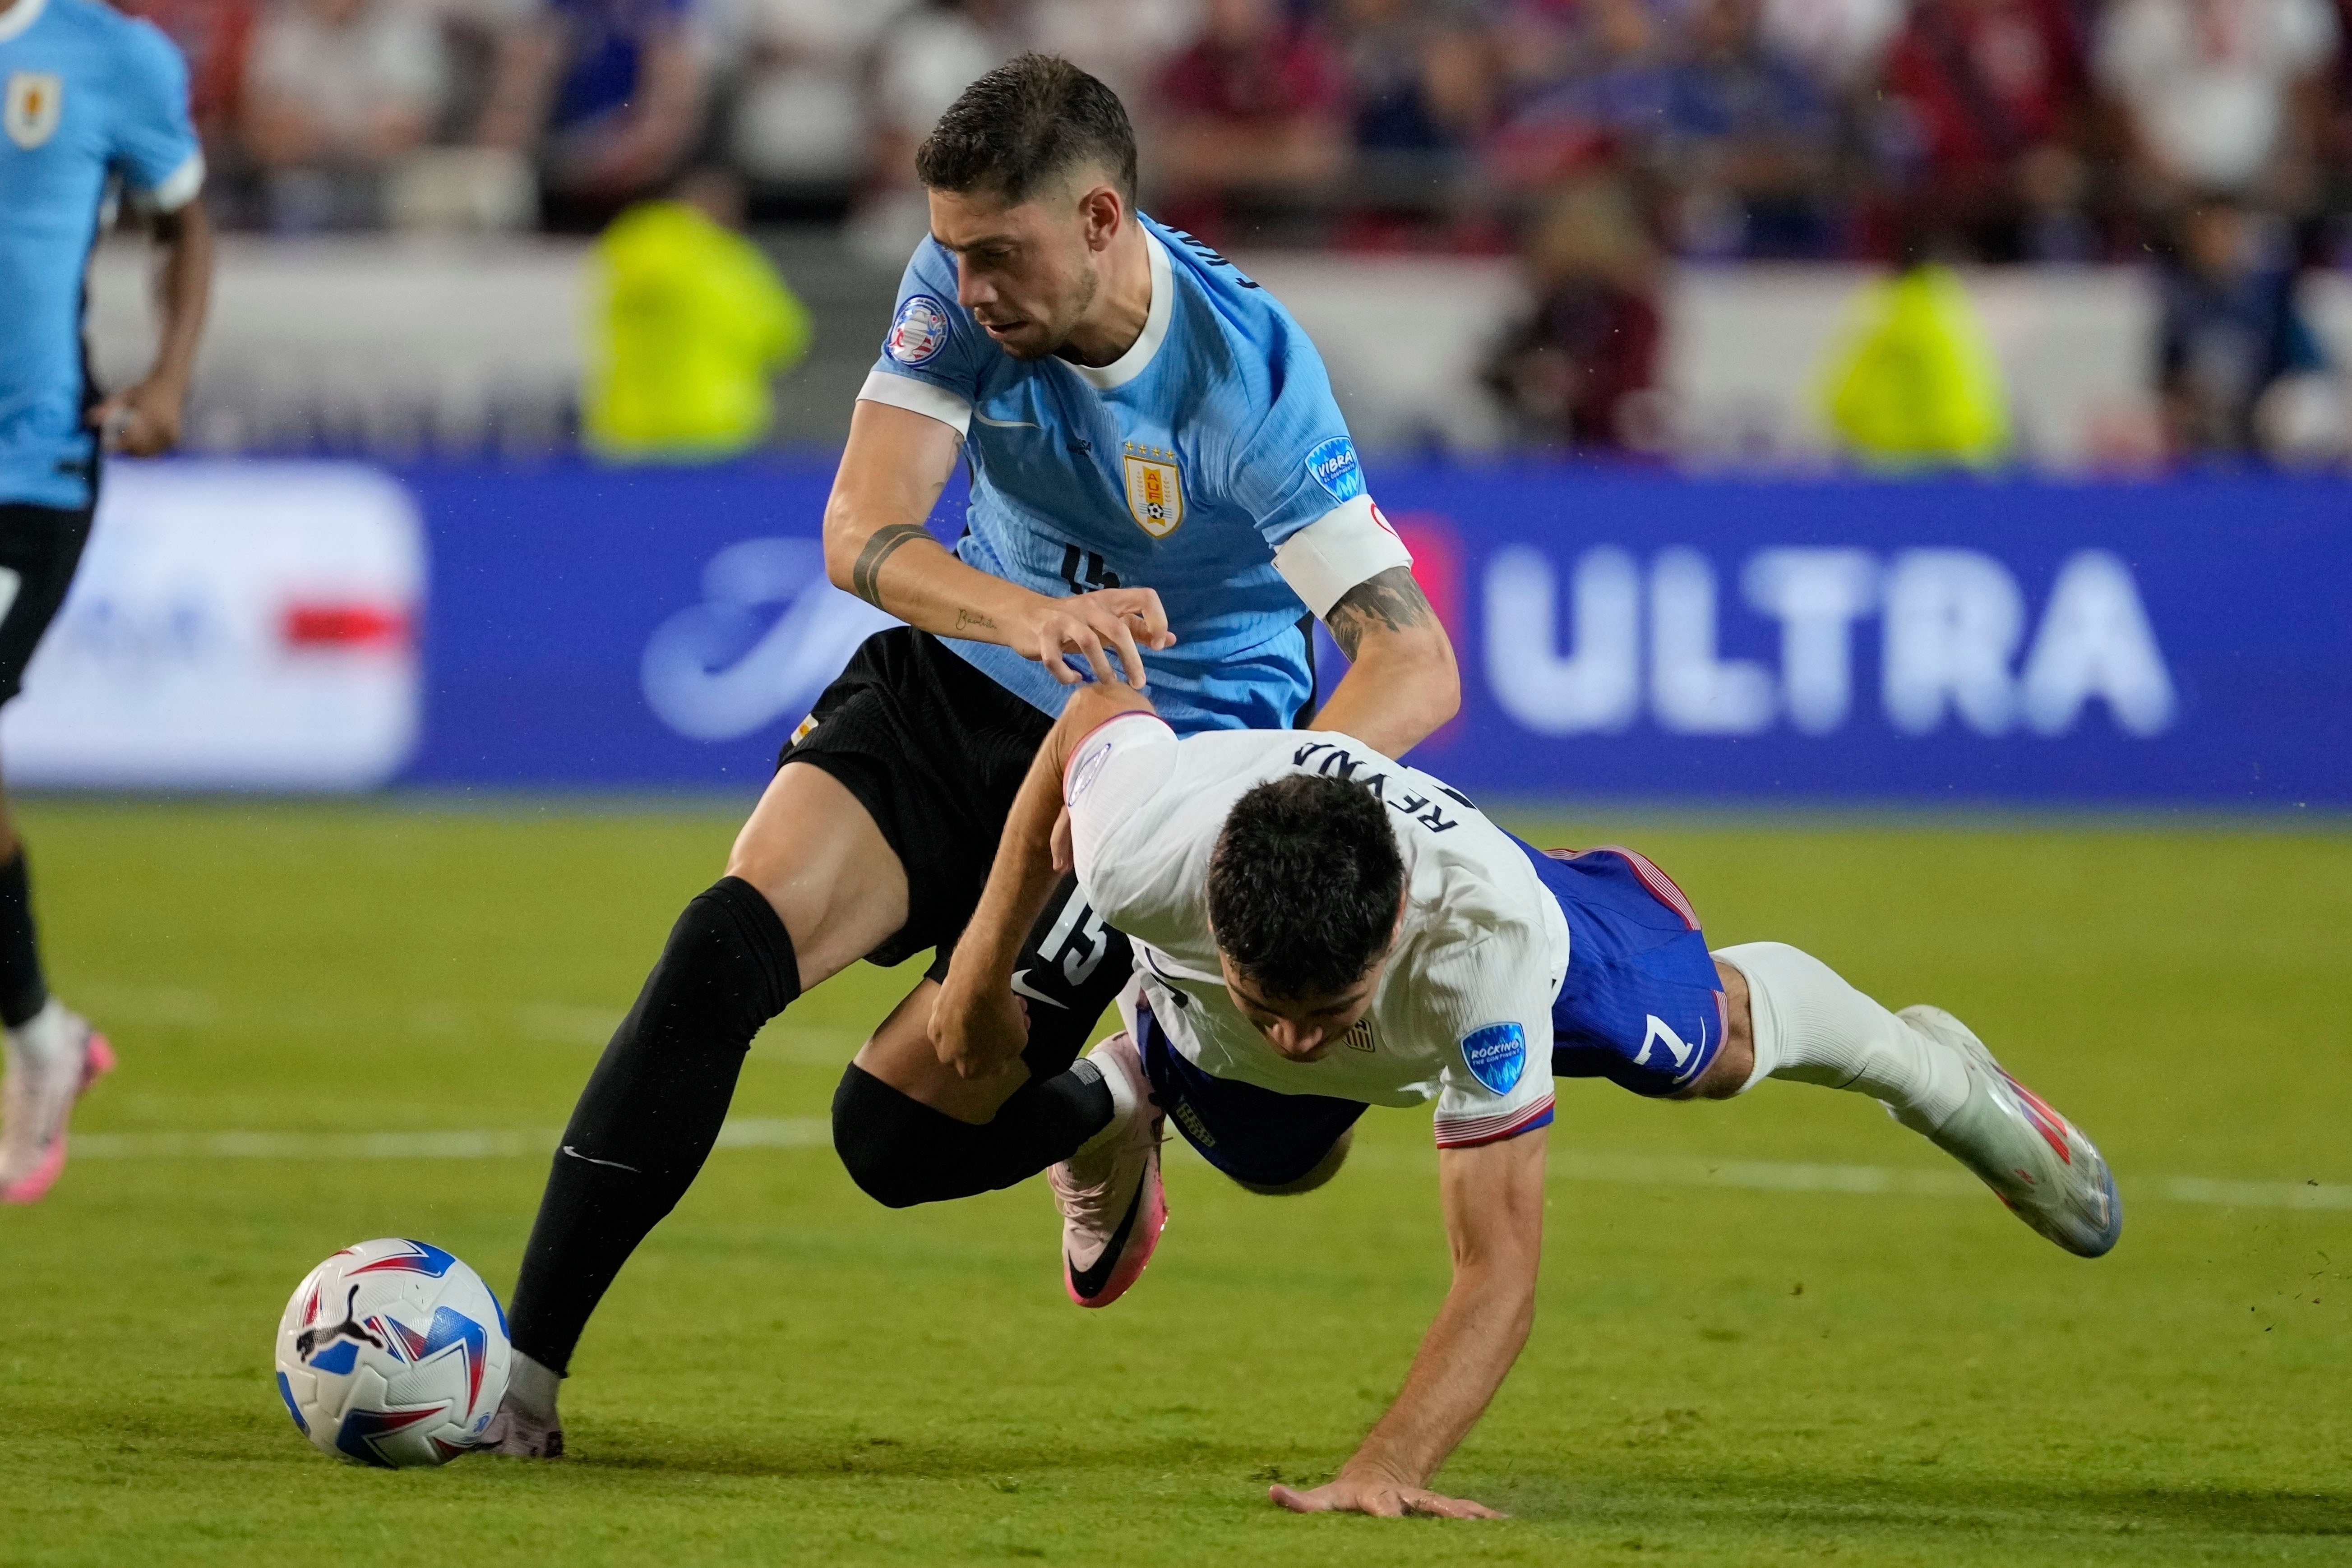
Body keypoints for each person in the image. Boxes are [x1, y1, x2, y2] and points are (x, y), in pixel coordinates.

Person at [483, 52, 1461, 1456]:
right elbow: (860, 532)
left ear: (1104, 221)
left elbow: (1413, 658)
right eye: (953, 251)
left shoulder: (1246, 383)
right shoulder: (954, 287)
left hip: (1151, 754)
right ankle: (520, 1385)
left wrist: (1249, 814)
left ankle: (1123, 1097)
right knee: (719, 947)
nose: (972, 287)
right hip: (960, 676)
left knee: (890, 1142)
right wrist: (1029, 615)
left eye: (1000, 254)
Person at [926, 677, 2122, 1518]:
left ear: (1391, 930)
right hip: (1214, 990)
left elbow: (1497, 1269)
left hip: (1533, 922)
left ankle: (1937, 1078)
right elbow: (1092, 715)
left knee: (1697, 1048)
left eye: (1323, 1008)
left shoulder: (1483, 952)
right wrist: (984, 963)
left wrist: (1386, 1464)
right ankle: (1141, 1073)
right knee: (1286, 1163)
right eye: (1266, 998)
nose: (1294, 1034)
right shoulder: (1141, 845)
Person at [0, 0, 214, 1203]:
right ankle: (40, 1034)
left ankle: (37, 1038)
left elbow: (185, 220)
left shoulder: (107, 54)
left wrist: (170, 373)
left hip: (28, 465)